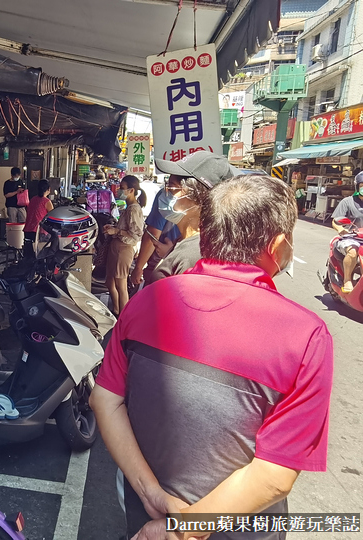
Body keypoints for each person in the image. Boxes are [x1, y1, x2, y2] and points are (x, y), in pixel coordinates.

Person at [92, 175, 333, 540]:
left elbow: (105, 399)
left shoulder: (146, 301)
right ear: (279, 245)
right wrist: (181, 531)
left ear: (204, 235)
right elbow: (272, 477)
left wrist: (150, 493)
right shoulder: (306, 336)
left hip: (145, 510)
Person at [130, 151, 239, 286]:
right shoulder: (188, 244)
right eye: (167, 186)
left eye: (172, 187)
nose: (165, 193)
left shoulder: (194, 256)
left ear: (198, 196)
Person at [146, 176, 210, 284]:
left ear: (195, 198)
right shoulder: (182, 241)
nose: (165, 193)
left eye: (172, 187)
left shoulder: (192, 254)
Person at [103, 176, 145, 315]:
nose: (119, 190)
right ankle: (116, 311)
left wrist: (116, 231)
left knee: (121, 286)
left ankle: (123, 317)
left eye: (122, 188)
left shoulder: (134, 209)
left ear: (131, 190)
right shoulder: (128, 208)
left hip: (123, 250)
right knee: (110, 282)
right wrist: (114, 227)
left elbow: (136, 234)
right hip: (116, 248)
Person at [331, 171, 363, 292]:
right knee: (353, 251)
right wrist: (340, 229)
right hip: (351, 238)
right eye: (362, 185)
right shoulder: (347, 202)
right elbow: (336, 221)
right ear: (357, 187)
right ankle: (347, 280)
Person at [23, 179, 54, 249]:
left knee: (29, 252)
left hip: (28, 230)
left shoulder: (33, 199)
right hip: (39, 232)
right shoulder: (47, 202)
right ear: (49, 189)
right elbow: (52, 216)